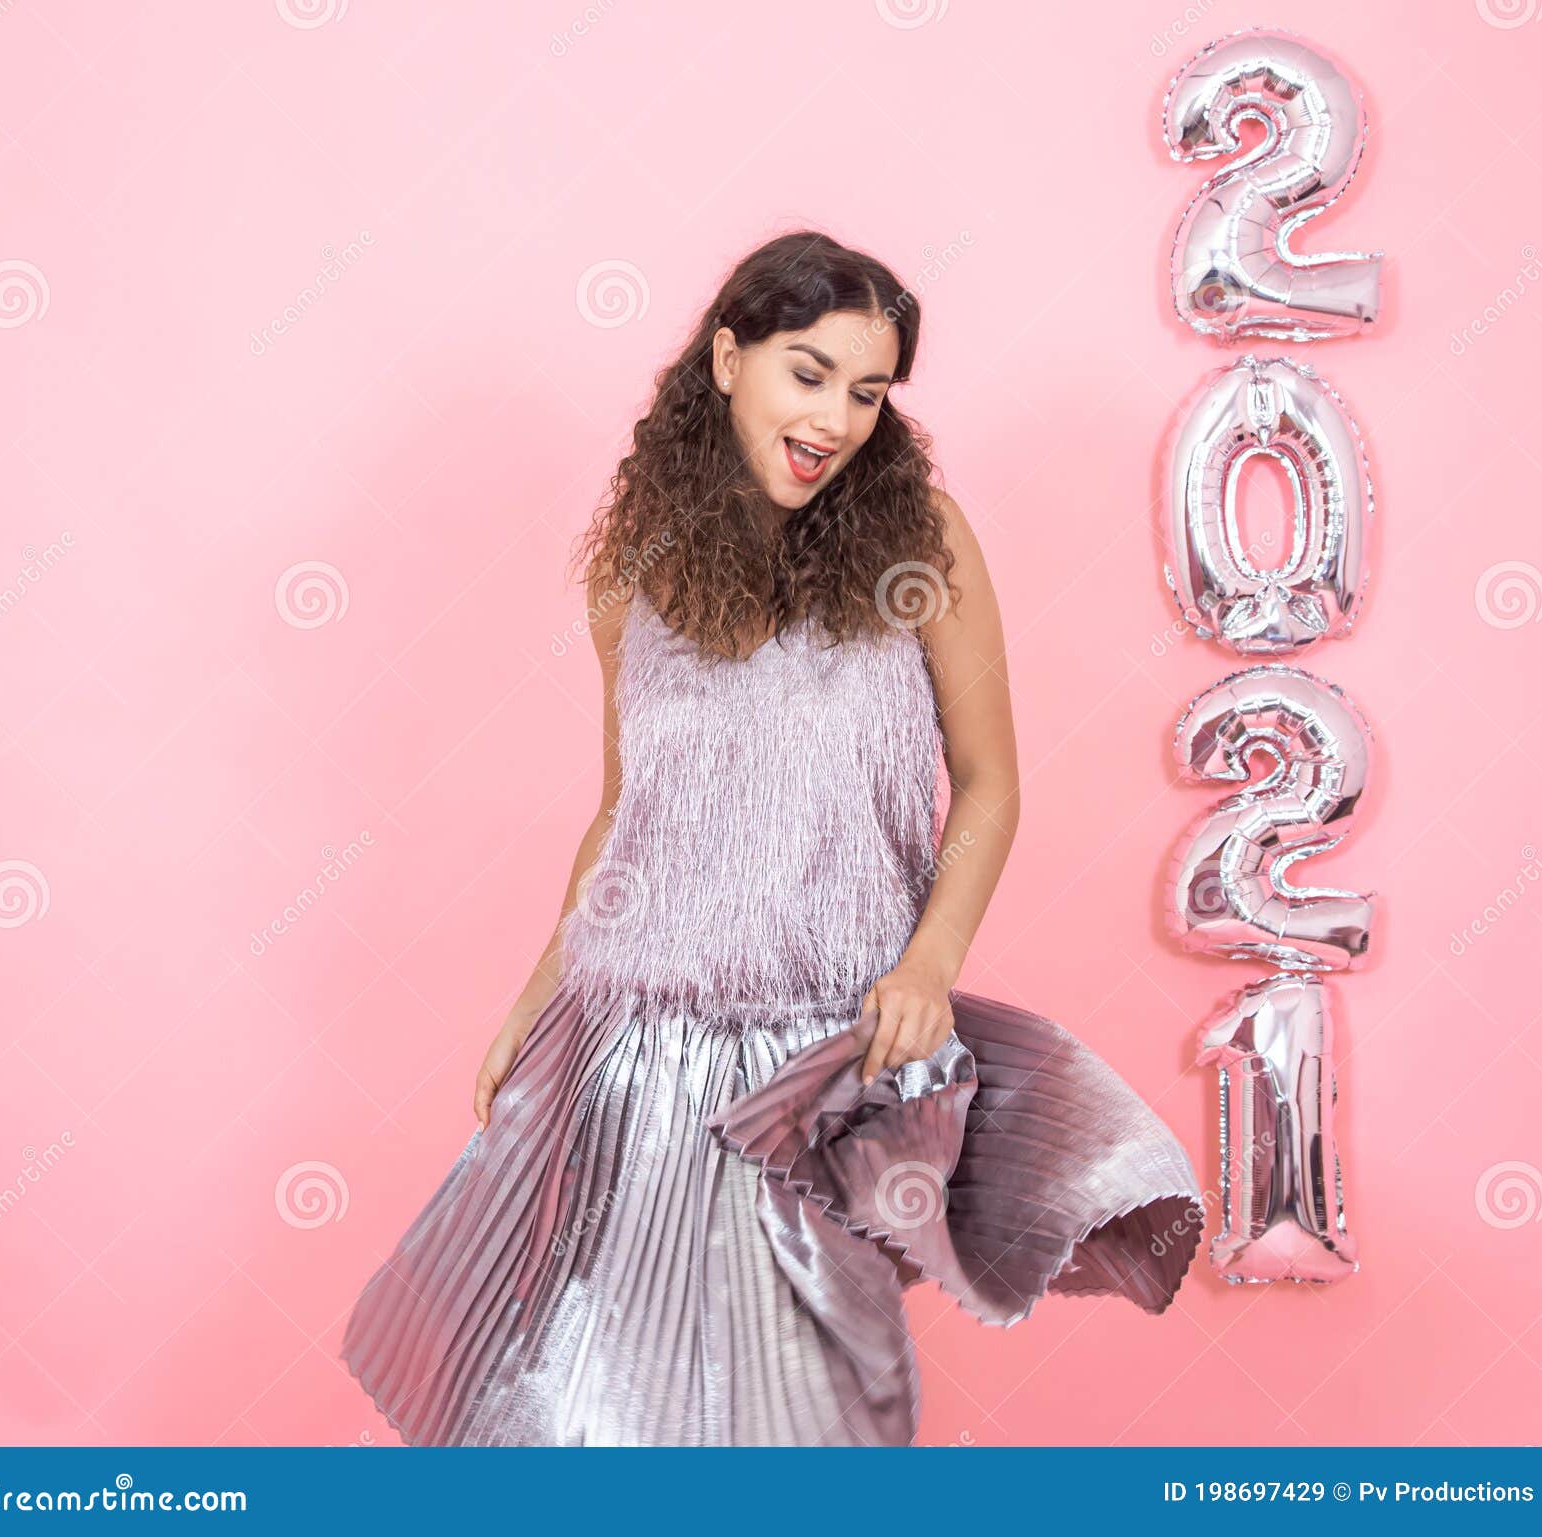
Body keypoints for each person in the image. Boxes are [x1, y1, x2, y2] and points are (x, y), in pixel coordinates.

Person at [340, 229, 1203, 1447]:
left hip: (815, 1067)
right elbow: (622, 815)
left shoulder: (923, 544)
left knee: (822, 1424)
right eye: (809, 372)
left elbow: (989, 782)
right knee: (593, 1422)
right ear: (728, 358)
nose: (838, 417)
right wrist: (538, 997)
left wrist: (929, 963)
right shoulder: (633, 578)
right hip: (632, 1054)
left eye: (867, 390)